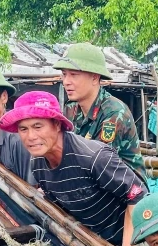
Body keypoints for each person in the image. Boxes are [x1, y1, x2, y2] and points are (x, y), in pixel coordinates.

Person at [1, 91, 147, 246]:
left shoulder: (94, 157)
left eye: (38, 126)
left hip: (133, 239)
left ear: (56, 125)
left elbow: (138, 194)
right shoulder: (38, 165)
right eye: (23, 129)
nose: (31, 137)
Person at [53, 42, 145, 177]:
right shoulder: (70, 109)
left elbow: (98, 163)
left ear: (95, 77)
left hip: (126, 190)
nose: (66, 81)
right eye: (64, 74)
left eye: (73, 74)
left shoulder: (113, 112)